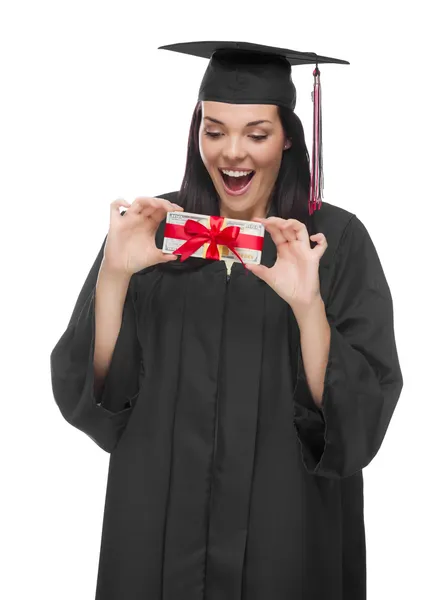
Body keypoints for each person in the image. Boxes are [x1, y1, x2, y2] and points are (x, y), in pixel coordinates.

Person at [50, 41, 404, 600]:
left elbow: (357, 422)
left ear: (289, 135)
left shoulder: (333, 242)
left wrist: (307, 308)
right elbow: (95, 399)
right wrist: (114, 276)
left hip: (283, 537)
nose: (232, 153)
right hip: (156, 539)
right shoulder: (152, 229)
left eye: (256, 134)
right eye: (213, 131)